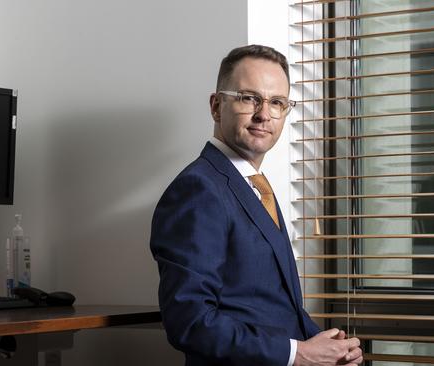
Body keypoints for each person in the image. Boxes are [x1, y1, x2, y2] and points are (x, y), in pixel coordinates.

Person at [150, 44, 363, 366]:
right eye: (249, 98)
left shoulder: (253, 184)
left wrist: (331, 349)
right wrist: (299, 354)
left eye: (277, 102)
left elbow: (273, 307)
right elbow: (189, 322)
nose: (264, 114)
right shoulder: (198, 190)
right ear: (216, 106)